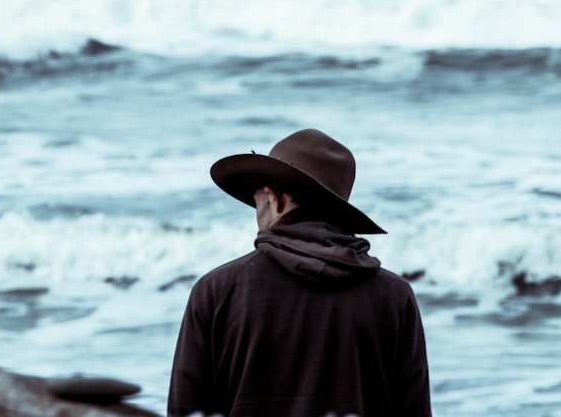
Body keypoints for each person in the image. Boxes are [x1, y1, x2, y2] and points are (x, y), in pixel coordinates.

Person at [167, 129, 431, 417]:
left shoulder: (217, 290)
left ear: (275, 198)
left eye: (257, 198)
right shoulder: (394, 297)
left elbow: (185, 410)